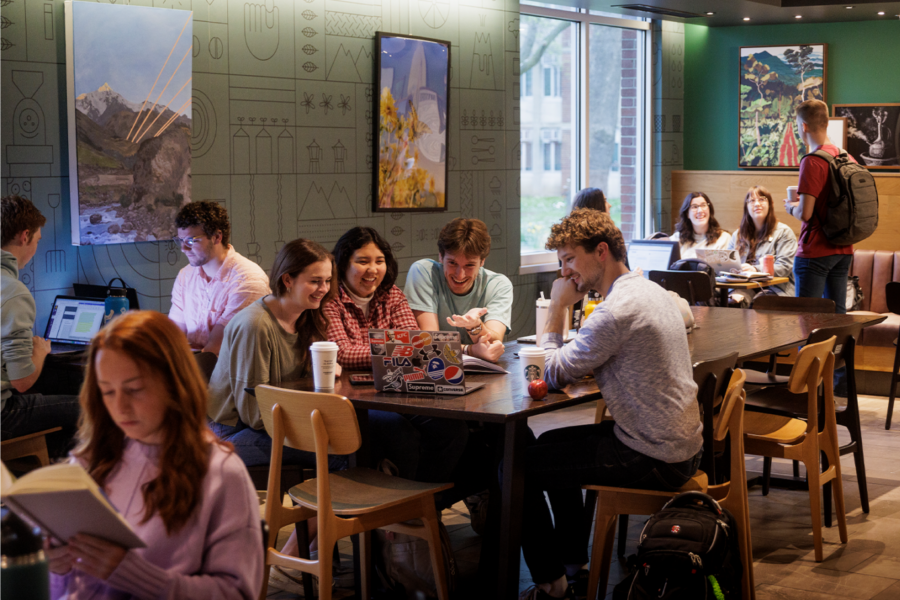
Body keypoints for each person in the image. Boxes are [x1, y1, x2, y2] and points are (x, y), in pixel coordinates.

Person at [518, 209, 703, 600]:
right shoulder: (652, 291)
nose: (565, 272)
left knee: (515, 466)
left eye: (569, 260)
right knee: (548, 446)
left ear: (600, 251)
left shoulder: (615, 311)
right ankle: (571, 566)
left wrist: (556, 306)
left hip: (651, 455)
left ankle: (551, 585)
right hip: (682, 448)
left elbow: (551, 373)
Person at [47, 311, 262, 599]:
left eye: (134, 390)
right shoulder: (90, 459)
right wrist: (56, 567)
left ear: (174, 384)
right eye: (107, 392)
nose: (119, 407)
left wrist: (132, 574)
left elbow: (235, 593)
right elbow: (66, 589)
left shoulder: (220, 473)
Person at [323, 226, 467, 482]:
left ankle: (424, 506)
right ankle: (401, 510)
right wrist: (393, 350)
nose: (373, 269)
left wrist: (392, 351)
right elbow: (343, 353)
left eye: (379, 261)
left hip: (397, 391)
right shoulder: (330, 298)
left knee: (452, 427)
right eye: (363, 261)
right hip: (354, 400)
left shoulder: (392, 294)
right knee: (398, 432)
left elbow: (414, 344)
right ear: (343, 263)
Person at [207, 238, 346, 470]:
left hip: (276, 421)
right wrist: (308, 424)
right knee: (340, 452)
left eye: (328, 281)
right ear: (288, 279)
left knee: (363, 437)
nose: (323, 289)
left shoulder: (305, 316)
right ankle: (325, 507)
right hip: (234, 432)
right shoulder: (256, 325)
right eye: (315, 281)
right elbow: (254, 415)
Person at [0, 195, 79, 459]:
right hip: (3, 415)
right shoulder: (13, 292)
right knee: (90, 407)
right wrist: (41, 352)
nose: (35, 247)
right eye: (37, 240)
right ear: (25, 237)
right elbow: (22, 381)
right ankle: (60, 485)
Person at [168, 201, 270, 355]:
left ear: (216, 237)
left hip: (229, 373)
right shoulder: (186, 275)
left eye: (190, 241)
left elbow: (215, 351)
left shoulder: (248, 280)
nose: (183, 248)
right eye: (180, 240)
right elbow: (173, 336)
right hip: (195, 365)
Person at [404, 218, 510, 363]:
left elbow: (493, 345)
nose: (460, 274)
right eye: (452, 263)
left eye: (470, 265)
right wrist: (470, 350)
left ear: (482, 261)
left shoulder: (498, 285)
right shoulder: (424, 272)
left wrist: (475, 326)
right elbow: (428, 342)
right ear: (441, 256)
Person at [786, 99, 855, 314]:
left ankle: (811, 351)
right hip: (844, 248)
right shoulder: (846, 157)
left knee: (807, 320)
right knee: (837, 317)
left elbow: (806, 213)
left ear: (803, 126)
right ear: (826, 123)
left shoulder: (813, 161)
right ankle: (839, 349)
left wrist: (790, 207)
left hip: (815, 252)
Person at [727, 186, 798, 304]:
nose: (757, 204)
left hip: (776, 288)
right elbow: (728, 265)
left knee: (760, 303)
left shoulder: (784, 232)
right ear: (746, 206)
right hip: (745, 287)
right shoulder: (738, 235)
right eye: (752, 200)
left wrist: (755, 269)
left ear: (770, 204)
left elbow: (784, 267)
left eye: (762, 199)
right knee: (733, 302)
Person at [669, 192, 730, 259]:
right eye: (694, 207)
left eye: (703, 205)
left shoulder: (724, 238)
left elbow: (730, 267)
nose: (700, 211)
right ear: (687, 214)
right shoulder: (678, 238)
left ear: (709, 209)